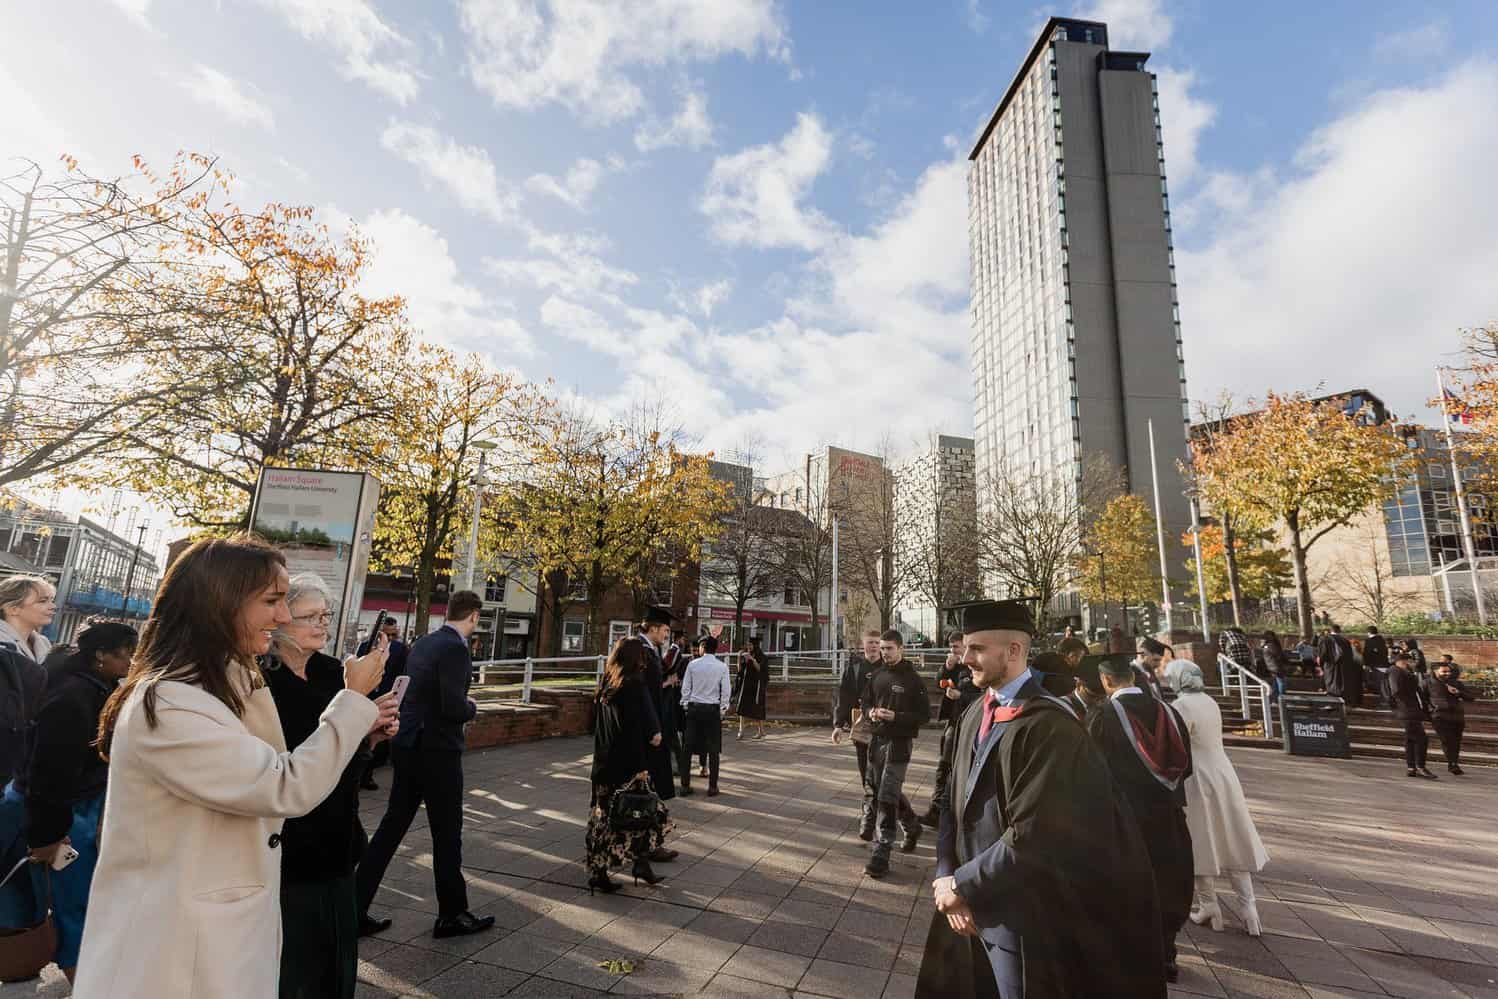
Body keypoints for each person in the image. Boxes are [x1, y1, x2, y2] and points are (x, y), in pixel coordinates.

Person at [72, 536, 394, 999]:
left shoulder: (225, 683)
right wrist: (354, 702)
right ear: (220, 605)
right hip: (179, 956)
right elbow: (284, 784)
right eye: (272, 601)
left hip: (220, 936)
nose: (282, 617)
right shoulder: (171, 704)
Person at [918, 602, 1166, 999]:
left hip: (1020, 919)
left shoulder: (1049, 727)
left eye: (977, 648)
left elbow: (1036, 835)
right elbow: (950, 800)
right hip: (965, 908)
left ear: (1014, 651)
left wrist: (961, 884)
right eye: (965, 647)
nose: (965, 659)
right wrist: (946, 875)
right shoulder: (972, 714)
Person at [267, 575, 397, 999]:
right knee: (293, 970)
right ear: (280, 620)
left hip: (338, 840)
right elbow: (288, 764)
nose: (323, 625)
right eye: (311, 616)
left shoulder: (331, 674)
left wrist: (371, 735)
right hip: (289, 848)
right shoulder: (261, 684)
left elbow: (345, 760)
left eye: (326, 615)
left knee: (337, 971)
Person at [356, 589, 496, 940]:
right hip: (437, 750)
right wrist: (472, 707)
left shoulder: (424, 643)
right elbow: (452, 705)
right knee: (447, 832)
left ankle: (353, 908)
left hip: (409, 745)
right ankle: (451, 914)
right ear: (474, 616)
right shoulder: (454, 648)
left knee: (390, 829)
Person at [12, 623, 135, 984]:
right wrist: (50, 834)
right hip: (66, 815)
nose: (132, 661)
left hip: (77, 808)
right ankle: (81, 981)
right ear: (100, 656)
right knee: (71, 903)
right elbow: (49, 773)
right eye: (126, 653)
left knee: (70, 901)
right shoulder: (72, 698)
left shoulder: (96, 688)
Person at [1090, 654, 1195, 981]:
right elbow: (1186, 767)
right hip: (1168, 818)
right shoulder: (1170, 712)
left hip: (1124, 820)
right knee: (1168, 883)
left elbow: (1091, 773)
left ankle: (1129, 955)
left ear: (1106, 681)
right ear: (1133, 678)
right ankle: (1165, 956)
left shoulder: (1103, 715)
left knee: (1127, 886)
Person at [1162, 660, 1269, 937]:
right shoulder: (1210, 701)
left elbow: (1176, 744)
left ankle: (1209, 905)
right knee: (1231, 835)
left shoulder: (1181, 706)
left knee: (1200, 838)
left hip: (1197, 776)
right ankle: (1249, 910)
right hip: (1223, 772)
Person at [586, 638, 671, 893]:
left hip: (603, 762)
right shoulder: (632, 685)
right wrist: (641, 766)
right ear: (636, 658)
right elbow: (632, 731)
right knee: (640, 812)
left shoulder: (607, 683)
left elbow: (594, 725)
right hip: (624, 764)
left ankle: (608, 869)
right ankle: (634, 865)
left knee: (604, 816)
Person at [0, 575, 56, 930]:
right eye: (42, 600)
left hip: (22, 758)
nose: (51, 605)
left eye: (51, 598)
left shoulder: (44, 645)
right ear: (12, 607)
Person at [859, 630, 930, 878]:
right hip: (876, 739)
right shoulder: (876, 675)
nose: (884, 652)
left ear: (900, 648)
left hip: (899, 743)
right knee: (879, 788)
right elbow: (865, 701)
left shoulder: (913, 680)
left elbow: (925, 716)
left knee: (887, 795)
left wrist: (897, 717)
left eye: (889, 648)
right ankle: (912, 826)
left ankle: (882, 851)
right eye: (882, 648)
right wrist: (870, 713)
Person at [834, 631, 916, 843]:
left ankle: (879, 821)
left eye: (876, 644)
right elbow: (843, 697)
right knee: (868, 778)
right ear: (863, 645)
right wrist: (838, 725)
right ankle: (878, 818)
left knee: (886, 782)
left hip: (887, 731)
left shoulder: (888, 669)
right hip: (861, 728)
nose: (873, 647)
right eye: (869, 643)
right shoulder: (854, 669)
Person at [633, 607, 679, 865]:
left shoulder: (651, 650)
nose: (666, 635)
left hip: (654, 729)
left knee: (650, 791)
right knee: (644, 790)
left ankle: (650, 844)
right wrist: (653, 729)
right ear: (652, 628)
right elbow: (640, 694)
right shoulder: (638, 650)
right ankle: (645, 847)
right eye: (665, 630)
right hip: (646, 734)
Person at [921, 631, 979, 829]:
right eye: (951, 647)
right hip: (954, 720)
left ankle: (944, 811)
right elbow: (939, 681)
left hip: (969, 723)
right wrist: (947, 667)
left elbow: (985, 697)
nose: (952, 651)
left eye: (956, 647)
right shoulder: (956, 665)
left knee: (949, 766)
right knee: (945, 767)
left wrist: (960, 696)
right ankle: (938, 810)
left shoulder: (976, 666)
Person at [356, 615, 408, 790]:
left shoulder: (401, 650)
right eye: (387, 634)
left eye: (394, 635)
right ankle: (358, 775)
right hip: (366, 698)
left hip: (386, 700)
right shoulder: (365, 646)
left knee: (380, 744)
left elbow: (402, 674)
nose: (390, 638)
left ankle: (367, 774)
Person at [680, 635, 732, 796]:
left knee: (687, 748)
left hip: (695, 709)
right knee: (714, 750)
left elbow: (686, 688)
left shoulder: (693, 665)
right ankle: (712, 786)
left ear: (702, 647)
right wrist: (723, 709)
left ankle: (685, 785)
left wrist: (685, 704)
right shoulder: (722, 667)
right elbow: (726, 691)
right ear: (715, 649)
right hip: (712, 710)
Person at [1389, 651, 1437, 780]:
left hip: (1409, 710)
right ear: (1403, 661)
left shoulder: (1402, 671)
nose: (1412, 663)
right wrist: (1407, 705)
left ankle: (1412, 767)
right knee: (1421, 739)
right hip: (1408, 710)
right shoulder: (1396, 671)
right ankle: (1420, 766)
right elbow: (1396, 691)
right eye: (1409, 661)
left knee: (1411, 739)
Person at [1424, 659, 1475, 775]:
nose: (1448, 674)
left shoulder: (1456, 683)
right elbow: (1422, 700)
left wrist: (1458, 693)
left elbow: (1471, 698)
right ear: (1435, 671)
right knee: (1447, 740)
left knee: (1456, 741)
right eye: (1444, 672)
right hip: (1439, 717)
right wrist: (1430, 711)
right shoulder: (1426, 683)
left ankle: (1453, 763)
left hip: (1457, 716)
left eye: (1449, 672)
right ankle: (1452, 764)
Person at [663, 631, 691, 790]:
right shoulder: (675, 652)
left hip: (671, 697)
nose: (684, 641)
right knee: (674, 738)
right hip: (672, 698)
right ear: (679, 639)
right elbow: (667, 668)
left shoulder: (673, 652)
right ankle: (681, 770)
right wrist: (671, 680)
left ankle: (679, 769)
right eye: (683, 639)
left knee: (674, 738)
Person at [1317, 624, 1361, 707]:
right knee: (1341, 683)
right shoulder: (1345, 641)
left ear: (1330, 630)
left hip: (1330, 666)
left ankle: (1331, 703)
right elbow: (1350, 656)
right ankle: (1342, 702)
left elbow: (1322, 655)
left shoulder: (1325, 639)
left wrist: (1321, 667)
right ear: (1339, 630)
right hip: (1343, 667)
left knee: (1331, 683)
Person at [735, 636, 769, 740]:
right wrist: (739, 657)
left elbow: (761, 669)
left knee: (757, 707)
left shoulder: (762, 656)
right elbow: (740, 670)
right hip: (746, 684)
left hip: (756, 685)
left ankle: (761, 731)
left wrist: (752, 659)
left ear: (755, 645)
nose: (748, 647)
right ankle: (741, 731)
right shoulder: (746, 654)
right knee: (742, 707)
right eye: (747, 644)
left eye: (750, 645)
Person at [1362, 627, 1390, 708]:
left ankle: (1384, 702)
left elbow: (1367, 653)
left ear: (1368, 633)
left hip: (1375, 665)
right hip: (1384, 664)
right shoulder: (1381, 640)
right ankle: (1385, 701)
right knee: (1383, 684)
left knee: (1379, 684)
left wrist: (1366, 664)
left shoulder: (1369, 641)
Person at [1259, 631, 1289, 701]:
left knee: (1276, 683)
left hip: (1271, 666)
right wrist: (1285, 661)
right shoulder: (1271, 645)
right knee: (1281, 683)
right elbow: (1278, 655)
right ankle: (1282, 699)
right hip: (1277, 666)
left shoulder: (1265, 645)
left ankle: (1275, 699)